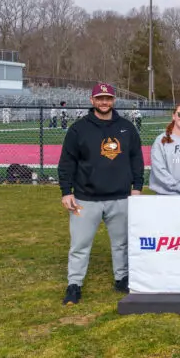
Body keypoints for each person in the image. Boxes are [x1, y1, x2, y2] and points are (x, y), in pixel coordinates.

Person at [58, 82, 144, 305]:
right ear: (92, 100)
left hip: (120, 197)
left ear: (114, 100)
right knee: (79, 245)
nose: (104, 102)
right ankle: (74, 284)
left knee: (121, 244)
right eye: (100, 98)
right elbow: (67, 162)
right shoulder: (79, 129)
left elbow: (136, 159)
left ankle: (121, 278)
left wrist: (137, 187)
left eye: (108, 98)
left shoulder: (127, 127)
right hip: (86, 199)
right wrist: (66, 192)